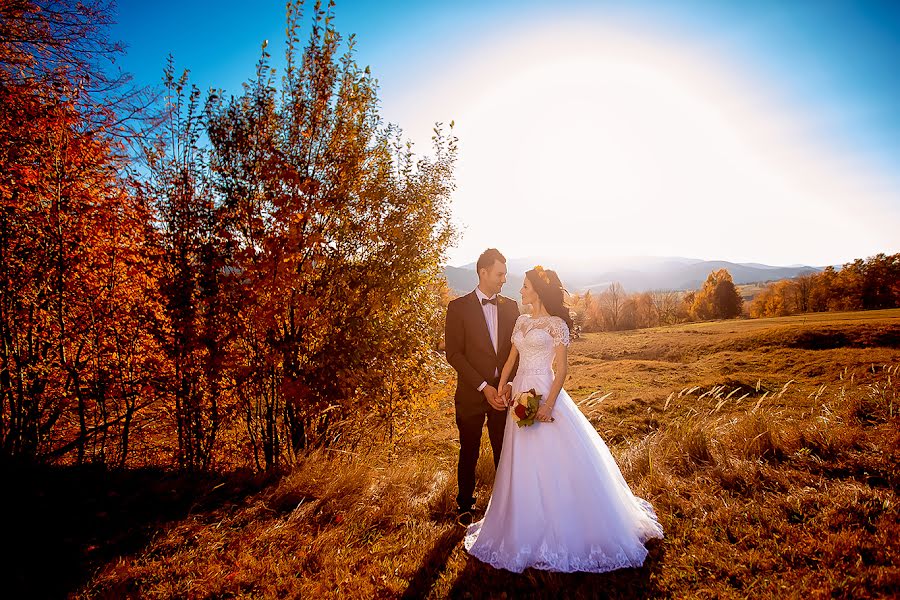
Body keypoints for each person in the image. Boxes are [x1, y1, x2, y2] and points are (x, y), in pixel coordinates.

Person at [463, 265, 664, 573]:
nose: (520, 291)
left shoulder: (556, 324)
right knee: (522, 459)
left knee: (554, 458)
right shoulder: (521, 321)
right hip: (520, 395)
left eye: (526, 287)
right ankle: (525, 521)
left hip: (544, 392)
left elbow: (562, 370)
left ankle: (564, 522)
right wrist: (503, 385)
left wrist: (548, 404)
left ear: (538, 291)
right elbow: (510, 360)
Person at [444, 249, 521, 524]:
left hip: (503, 395)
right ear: (483, 272)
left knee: (504, 451)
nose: (504, 279)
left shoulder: (512, 308)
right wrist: (482, 386)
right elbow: (454, 354)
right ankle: (465, 506)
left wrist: (509, 383)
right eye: (500, 274)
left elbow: (518, 350)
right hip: (470, 394)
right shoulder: (457, 308)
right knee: (469, 450)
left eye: (505, 274)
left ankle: (504, 509)